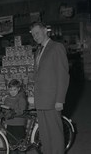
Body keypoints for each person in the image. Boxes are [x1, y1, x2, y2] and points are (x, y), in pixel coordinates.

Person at [30, 22, 70, 154]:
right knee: (45, 135)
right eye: (33, 34)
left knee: (56, 134)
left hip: (53, 100)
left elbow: (63, 75)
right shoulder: (38, 50)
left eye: (37, 33)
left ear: (45, 31)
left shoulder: (56, 47)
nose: (35, 37)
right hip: (41, 100)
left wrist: (60, 99)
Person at [3, 79, 27, 154]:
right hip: (10, 123)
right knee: (11, 143)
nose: (12, 92)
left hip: (18, 123)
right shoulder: (7, 98)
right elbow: (5, 108)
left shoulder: (21, 98)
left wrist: (12, 112)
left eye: (14, 89)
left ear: (18, 89)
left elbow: (22, 110)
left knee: (20, 143)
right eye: (10, 90)